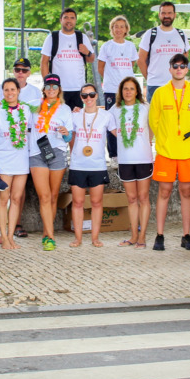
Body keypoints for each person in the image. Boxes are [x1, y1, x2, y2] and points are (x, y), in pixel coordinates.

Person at [149, 53, 190, 252]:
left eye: (182, 66)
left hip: (188, 152)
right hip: (166, 152)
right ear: (170, 68)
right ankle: (159, 235)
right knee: (163, 192)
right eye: (176, 65)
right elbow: (153, 121)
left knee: (186, 192)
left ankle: (186, 235)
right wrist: (164, 139)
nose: (179, 69)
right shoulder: (160, 93)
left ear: (187, 69)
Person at [0, 78, 32, 249]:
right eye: (6, 90)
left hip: (21, 159)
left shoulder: (26, 110)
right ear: (2, 92)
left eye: (13, 89)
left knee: (16, 198)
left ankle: (11, 235)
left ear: (18, 91)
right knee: (3, 199)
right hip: (3, 159)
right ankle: (3, 236)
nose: (10, 93)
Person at [29, 74, 74, 251]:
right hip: (37, 152)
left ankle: (47, 234)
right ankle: (51, 236)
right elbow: (15, 107)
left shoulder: (65, 109)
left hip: (57, 151)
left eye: (54, 87)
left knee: (54, 196)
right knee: (45, 196)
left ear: (59, 90)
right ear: (44, 89)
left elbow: (69, 135)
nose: (51, 90)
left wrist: (65, 133)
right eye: (48, 87)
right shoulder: (34, 105)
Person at [67, 83, 115, 247]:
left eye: (92, 95)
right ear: (81, 97)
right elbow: (67, 136)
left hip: (97, 165)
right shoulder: (75, 115)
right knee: (78, 203)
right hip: (78, 165)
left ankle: (95, 238)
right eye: (84, 95)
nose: (88, 98)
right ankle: (78, 238)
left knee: (96, 203)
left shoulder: (106, 116)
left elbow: (119, 133)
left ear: (97, 95)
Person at [108, 76, 153, 248]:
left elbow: (153, 126)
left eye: (132, 89)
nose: (128, 92)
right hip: (125, 160)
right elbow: (107, 124)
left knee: (143, 197)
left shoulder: (144, 108)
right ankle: (133, 236)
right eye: (125, 89)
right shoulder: (115, 109)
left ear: (137, 91)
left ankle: (142, 237)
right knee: (131, 198)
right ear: (121, 91)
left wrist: (148, 139)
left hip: (143, 158)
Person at [97, 15, 139, 158]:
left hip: (128, 91)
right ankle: (114, 155)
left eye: (122, 26)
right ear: (112, 29)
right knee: (112, 122)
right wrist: (111, 80)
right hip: (111, 90)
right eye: (116, 26)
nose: (119, 29)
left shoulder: (130, 46)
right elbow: (100, 67)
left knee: (128, 120)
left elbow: (131, 65)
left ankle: (128, 151)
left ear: (126, 29)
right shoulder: (107, 46)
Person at [41, 7, 96, 110]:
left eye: (72, 18)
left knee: (76, 120)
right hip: (59, 89)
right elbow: (44, 62)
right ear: (61, 20)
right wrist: (48, 84)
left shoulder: (82, 37)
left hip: (78, 88)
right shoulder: (52, 37)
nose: (69, 20)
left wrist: (87, 52)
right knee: (58, 119)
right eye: (66, 17)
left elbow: (91, 59)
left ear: (75, 20)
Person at [138, 1, 190, 102]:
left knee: (176, 117)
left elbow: (185, 57)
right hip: (155, 86)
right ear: (159, 15)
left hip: (176, 85)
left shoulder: (181, 34)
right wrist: (150, 78)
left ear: (174, 15)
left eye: (169, 13)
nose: (166, 16)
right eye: (163, 13)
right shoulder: (150, 34)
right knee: (154, 117)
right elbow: (140, 60)